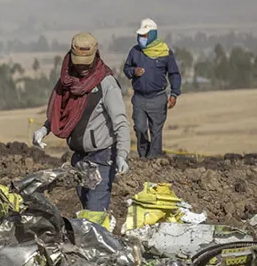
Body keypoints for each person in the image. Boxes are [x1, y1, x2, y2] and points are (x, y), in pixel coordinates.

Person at [33, 33, 130, 211]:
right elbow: (60, 112)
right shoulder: (68, 82)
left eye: (87, 63)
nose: (83, 68)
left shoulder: (106, 84)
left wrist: (122, 155)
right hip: (79, 159)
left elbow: (121, 122)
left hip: (101, 157)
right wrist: (44, 129)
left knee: (94, 212)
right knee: (86, 208)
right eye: (79, 63)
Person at [122, 18, 181, 159]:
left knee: (156, 131)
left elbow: (174, 74)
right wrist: (133, 71)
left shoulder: (165, 52)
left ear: (153, 34)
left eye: (144, 35)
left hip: (158, 98)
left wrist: (174, 94)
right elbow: (126, 68)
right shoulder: (135, 51)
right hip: (139, 98)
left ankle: (153, 160)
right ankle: (144, 156)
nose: (141, 38)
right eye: (140, 35)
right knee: (140, 128)